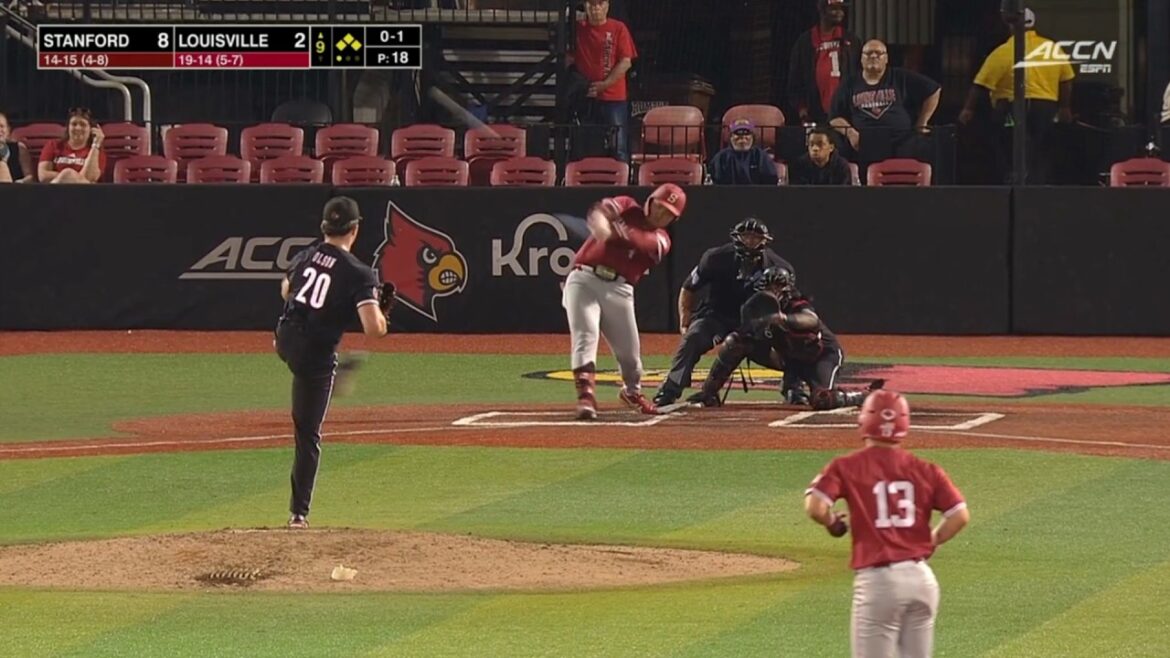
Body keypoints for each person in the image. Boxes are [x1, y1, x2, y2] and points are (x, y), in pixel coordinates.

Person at [803, 389, 970, 658]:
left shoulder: (846, 466)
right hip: (921, 580)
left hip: (878, 582)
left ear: (864, 421)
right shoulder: (927, 469)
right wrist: (933, 539)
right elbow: (959, 515)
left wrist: (833, 523)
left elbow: (815, 507)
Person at [274, 196, 395, 529]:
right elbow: (373, 329)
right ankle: (299, 514)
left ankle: (336, 371)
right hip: (315, 355)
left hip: (284, 340)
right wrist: (382, 315)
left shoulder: (306, 254)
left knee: (314, 352)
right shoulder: (359, 273)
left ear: (324, 226)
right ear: (354, 230)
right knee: (308, 434)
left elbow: (286, 290)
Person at [565, 183, 685, 419]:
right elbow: (600, 212)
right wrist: (602, 224)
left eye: (669, 214)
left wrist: (616, 231)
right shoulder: (628, 205)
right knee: (585, 334)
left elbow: (640, 243)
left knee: (630, 357)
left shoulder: (662, 241)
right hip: (584, 278)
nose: (661, 215)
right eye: (660, 207)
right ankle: (586, 397)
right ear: (650, 201)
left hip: (619, 289)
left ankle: (631, 391)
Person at [689, 266, 875, 409]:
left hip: (820, 356)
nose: (773, 291)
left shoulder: (797, 304)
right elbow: (742, 336)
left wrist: (783, 319)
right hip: (789, 357)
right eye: (769, 286)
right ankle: (709, 393)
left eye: (777, 286)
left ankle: (861, 396)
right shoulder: (757, 308)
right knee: (735, 343)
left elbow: (811, 320)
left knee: (823, 400)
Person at [654, 218, 793, 407]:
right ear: (736, 237)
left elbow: (787, 304)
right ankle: (670, 389)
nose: (750, 241)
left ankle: (795, 387)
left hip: (755, 323)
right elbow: (689, 287)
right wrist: (685, 320)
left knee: (794, 344)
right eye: (746, 236)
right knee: (693, 338)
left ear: (765, 240)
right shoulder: (715, 258)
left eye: (756, 237)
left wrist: (776, 328)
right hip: (716, 315)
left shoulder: (779, 267)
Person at [958, 8, 1074, 184]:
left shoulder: (1004, 51)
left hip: (1011, 108)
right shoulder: (1051, 48)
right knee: (1040, 149)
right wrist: (1065, 107)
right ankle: (1038, 185)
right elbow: (1066, 79)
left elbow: (980, 85)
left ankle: (1012, 182)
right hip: (1045, 108)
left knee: (1008, 148)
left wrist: (968, 109)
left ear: (1010, 26)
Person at [829, 39, 941, 168]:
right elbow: (834, 117)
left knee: (927, 146)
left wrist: (922, 122)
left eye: (878, 53)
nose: (873, 56)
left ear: (886, 58)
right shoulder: (849, 83)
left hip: (902, 139)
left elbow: (934, 90)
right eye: (869, 53)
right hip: (864, 142)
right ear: (861, 59)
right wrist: (851, 134)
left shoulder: (900, 76)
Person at [569, 0, 637, 162]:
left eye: (600, 4)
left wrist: (604, 84)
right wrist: (581, 84)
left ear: (607, 6)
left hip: (614, 97)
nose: (596, 8)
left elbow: (626, 62)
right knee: (585, 146)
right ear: (585, 7)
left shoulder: (618, 28)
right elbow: (568, 58)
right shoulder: (577, 29)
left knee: (619, 146)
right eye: (592, 4)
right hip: (587, 96)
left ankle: (623, 182)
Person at [787, 0, 861, 125]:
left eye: (841, 9)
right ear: (822, 9)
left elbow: (860, 75)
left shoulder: (851, 41)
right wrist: (802, 108)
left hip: (846, 114)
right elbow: (795, 79)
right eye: (834, 9)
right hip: (815, 114)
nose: (839, 13)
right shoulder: (805, 42)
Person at [37, 107, 106, 184]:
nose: (78, 128)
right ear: (68, 127)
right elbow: (43, 176)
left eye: (83, 125)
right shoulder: (53, 145)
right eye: (74, 124)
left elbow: (89, 178)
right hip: (55, 191)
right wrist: (68, 176)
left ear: (91, 129)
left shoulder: (96, 151)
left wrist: (96, 144)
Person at [708, 118, 781, 185]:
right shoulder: (721, 158)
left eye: (746, 133)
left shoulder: (761, 156)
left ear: (753, 137)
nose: (742, 137)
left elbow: (771, 184)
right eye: (738, 133)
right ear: (731, 137)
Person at [788, 126, 854, 185]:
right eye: (811, 144)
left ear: (831, 147)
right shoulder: (799, 164)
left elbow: (845, 193)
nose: (815, 148)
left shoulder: (841, 166)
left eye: (820, 144)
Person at [0, 112, 34, 183]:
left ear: (8, 130)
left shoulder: (19, 148)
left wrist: (19, 183)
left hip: (16, 190)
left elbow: (29, 176)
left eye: (2, 126)